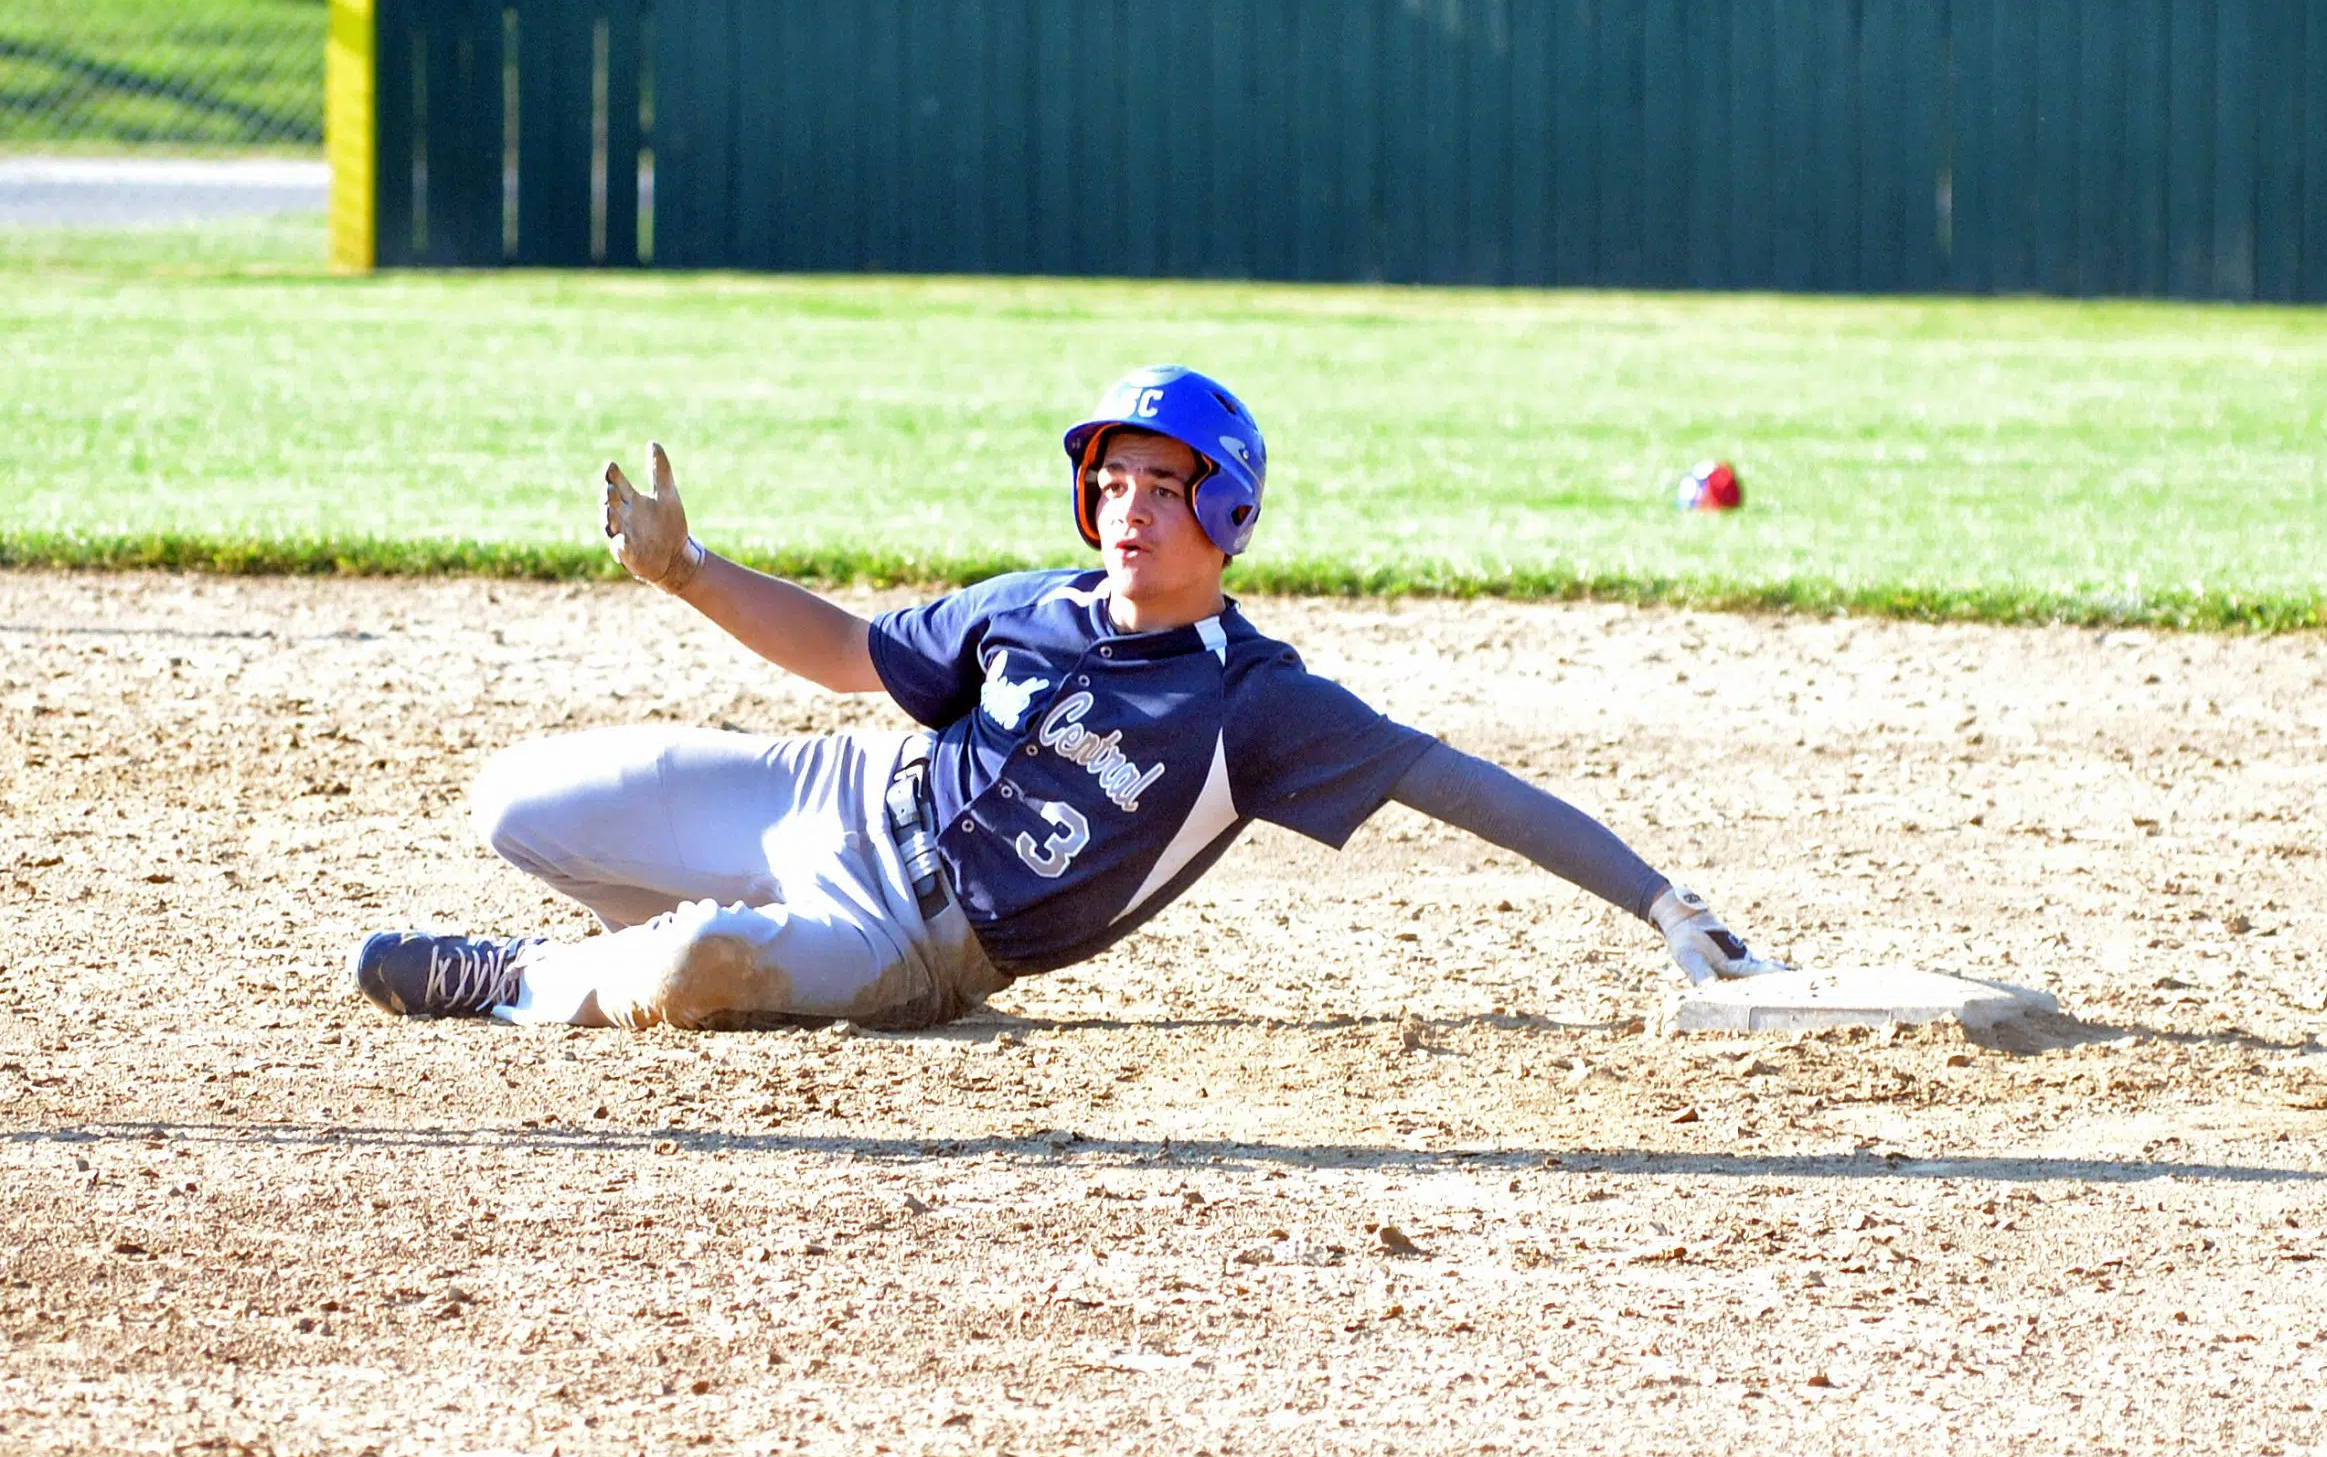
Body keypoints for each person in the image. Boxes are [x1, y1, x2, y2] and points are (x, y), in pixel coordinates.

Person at [349, 365, 1784, 1030]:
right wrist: (688, 571)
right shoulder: (1033, 601)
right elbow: (857, 658)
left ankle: (523, 983)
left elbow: (1466, 787)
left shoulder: (1257, 705)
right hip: (830, 793)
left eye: (1164, 485)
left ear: (1226, 510)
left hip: (918, 942)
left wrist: (1661, 904)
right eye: (1114, 479)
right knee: (515, 805)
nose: (1129, 506)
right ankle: (645, 936)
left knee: (694, 972)